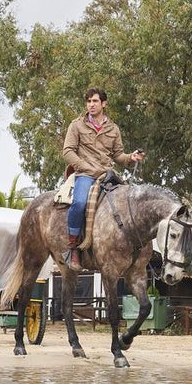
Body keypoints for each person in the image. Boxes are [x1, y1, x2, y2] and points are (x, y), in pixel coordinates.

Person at [60, 87, 145, 270]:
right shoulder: (76, 125)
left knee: (128, 203)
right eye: (88, 101)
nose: (91, 105)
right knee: (79, 203)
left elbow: (118, 155)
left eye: (95, 101)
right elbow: (67, 151)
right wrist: (84, 166)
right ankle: (73, 247)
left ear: (104, 103)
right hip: (85, 174)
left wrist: (131, 157)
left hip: (108, 175)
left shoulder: (113, 129)